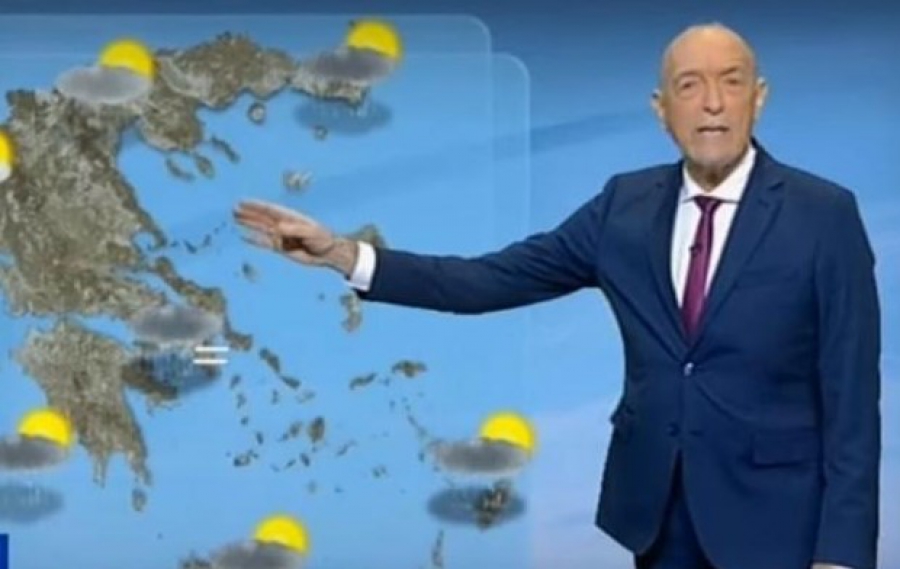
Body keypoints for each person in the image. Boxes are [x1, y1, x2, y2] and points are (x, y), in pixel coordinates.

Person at [233, 23, 881, 569]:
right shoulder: (624, 208)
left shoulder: (823, 215)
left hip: (778, 525)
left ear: (758, 98)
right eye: (690, 85)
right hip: (658, 520)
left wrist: (843, 554)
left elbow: (853, 400)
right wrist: (343, 254)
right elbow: (487, 279)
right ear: (662, 109)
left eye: (731, 81)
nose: (712, 102)